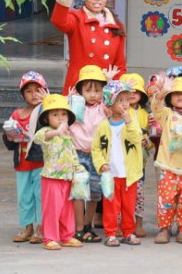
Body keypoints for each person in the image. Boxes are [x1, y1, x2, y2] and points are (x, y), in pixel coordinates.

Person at [52, 0, 126, 94]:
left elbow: (119, 65)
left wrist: (118, 91)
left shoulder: (117, 25)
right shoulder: (77, 18)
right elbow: (59, 21)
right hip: (79, 86)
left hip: (104, 87)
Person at [92, 80, 144, 247]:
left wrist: (129, 121)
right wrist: (101, 164)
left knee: (128, 206)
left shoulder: (131, 120)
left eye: (126, 100)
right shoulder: (103, 125)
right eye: (119, 100)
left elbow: (137, 138)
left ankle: (128, 232)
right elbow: (96, 147)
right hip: (111, 175)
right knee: (111, 206)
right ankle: (111, 233)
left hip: (129, 174)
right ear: (110, 104)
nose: (124, 104)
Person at [151, 75, 182, 244]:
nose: (180, 97)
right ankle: (164, 229)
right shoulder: (167, 114)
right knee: (166, 199)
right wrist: (162, 91)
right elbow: (155, 106)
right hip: (167, 167)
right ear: (170, 97)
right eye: (176, 93)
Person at [33, 94, 85, 250]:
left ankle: (67, 236)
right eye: (55, 115)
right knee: (52, 209)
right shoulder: (46, 132)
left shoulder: (68, 135)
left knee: (66, 209)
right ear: (47, 119)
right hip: (51, 178)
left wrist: (77, 169)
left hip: (67, 178)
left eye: (63, 114)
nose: (60, 118)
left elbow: (72, 154)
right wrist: (57, 132)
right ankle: (50, 238)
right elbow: (38, 138)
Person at [2, 70, 48, 244]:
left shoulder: (46, 112)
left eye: (38, 90)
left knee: (40, 195)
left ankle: (41, 228)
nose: (34, 94)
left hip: (40, 162)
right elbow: (8, 135)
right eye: (29, 91)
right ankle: (27, 227)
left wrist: (48, 103)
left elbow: (54, 124)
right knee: (24, 197)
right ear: (23, 94)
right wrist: (9, 136)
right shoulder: (17, 114)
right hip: (22, 163)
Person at [70, 64, 113, 242]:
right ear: (80, 91)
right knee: (79, 193)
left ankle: (88, 226)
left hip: (98, 157)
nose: (93, 94)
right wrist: (71, 99)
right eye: (88, 90)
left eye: (97, 89)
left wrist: (109, 82)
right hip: (78, 155)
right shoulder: (75, 105)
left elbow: (112, 100)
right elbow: (64, 118)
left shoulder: (103, 107)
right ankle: (78, 228)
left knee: (95, 193)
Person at [120, 72, 152, 237]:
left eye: (136, 91)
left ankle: (138, 223)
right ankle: (122, 223)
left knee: (138, 194)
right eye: (128, 91)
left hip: (139, 162)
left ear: (142, 95)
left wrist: (149, 142)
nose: (132, 95)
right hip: (121, 160)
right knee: (120, 194)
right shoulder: (118, 111)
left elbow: (151, 136)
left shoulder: (145, 115)